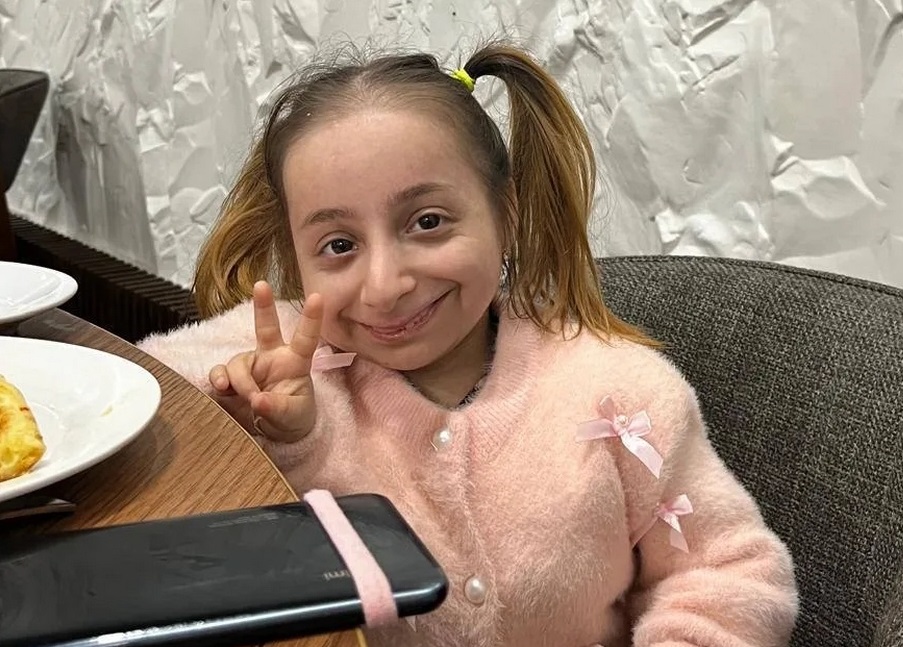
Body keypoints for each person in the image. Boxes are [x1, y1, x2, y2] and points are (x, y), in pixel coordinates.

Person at [137, 40, 799, 647]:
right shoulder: (285, 354)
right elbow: (133, 396)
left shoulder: (621, 392)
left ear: (505, 215)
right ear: (295, 258)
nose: (385, 285)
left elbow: (731, 574)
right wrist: (266, 431)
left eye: (427, 222)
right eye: (338, 245)